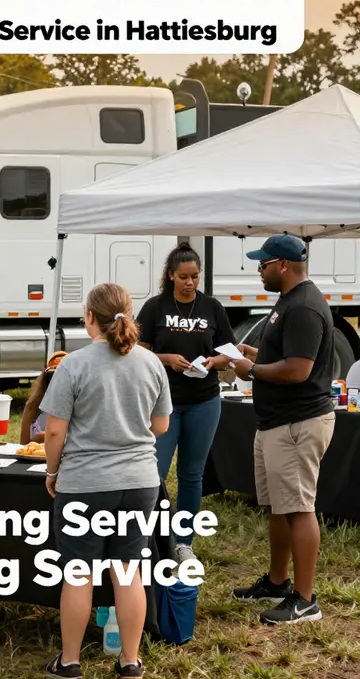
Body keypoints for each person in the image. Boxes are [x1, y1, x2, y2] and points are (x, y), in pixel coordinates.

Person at [40, 283, 172, 679]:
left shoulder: (74, 364)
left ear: (89, 318)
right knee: (128, 571)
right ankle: (130, 661)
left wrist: (52, 471)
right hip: (140, 481)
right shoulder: (151, 363)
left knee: (78, 573)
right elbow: (161, 425)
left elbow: (54, 432)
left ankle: (70, 662)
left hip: (85, 482)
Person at [232, 234, 335, 625]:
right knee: (279, 507)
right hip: (278, 422)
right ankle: (278, 583)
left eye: (263, 263)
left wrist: (253, 370)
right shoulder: (289, 300)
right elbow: (288, 356)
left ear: (283, 265)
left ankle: (306, 601)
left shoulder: (304, 306)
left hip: (297, 423)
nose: (259, 270)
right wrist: (255, 356)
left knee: (299, 508)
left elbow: (298, 370)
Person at [136, 242, 236, 562]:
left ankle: (183, 543)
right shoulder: (155, 307)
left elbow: (229, 353)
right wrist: (167, 359)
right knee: (154, 472)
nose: (190, 282)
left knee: (192, 474)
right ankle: (151, 540)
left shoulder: (212, 308)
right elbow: (136, 352)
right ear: (171, 276)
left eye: (195, 276)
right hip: (163, 403)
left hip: (204, 401)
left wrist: (213, 362)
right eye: (183, 277)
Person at [19, 351, 67, 444]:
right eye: (52, 377)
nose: (56, 382)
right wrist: (38, 440)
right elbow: (23, 444)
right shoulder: (32, 406)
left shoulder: (79, 407)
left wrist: (48, 436)